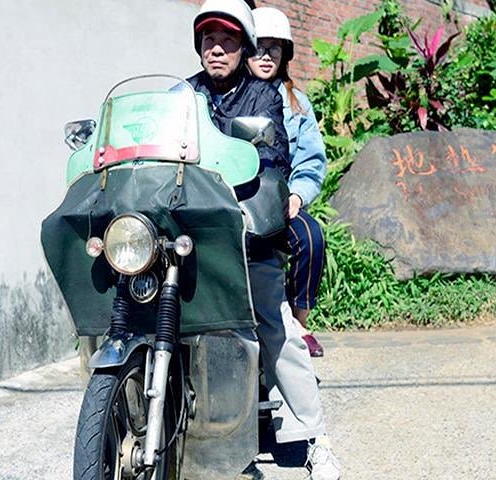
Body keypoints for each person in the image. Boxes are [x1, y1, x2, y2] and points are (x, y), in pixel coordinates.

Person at [187, 1, 340, 479]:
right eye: (210, 39)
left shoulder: (264, 98)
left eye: (229, 40)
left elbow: (272, 158)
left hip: (247, 234)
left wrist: (290, 196)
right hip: (191, 235)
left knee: (278, 331)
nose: (218, 48)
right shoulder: (182, 94)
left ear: (244, 47)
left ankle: (315, 438)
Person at [248, 7, 328, 358]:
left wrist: (297, 194)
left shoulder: (297, 102)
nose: (266, 56)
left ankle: (299, 321)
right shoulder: (232, 94)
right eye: (259, 47)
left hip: (277, 201)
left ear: (285, 55)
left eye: (274, 49)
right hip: (234, 197)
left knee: (310, 237)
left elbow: (311, 160)